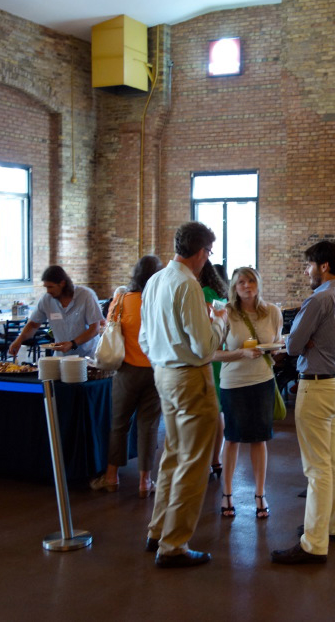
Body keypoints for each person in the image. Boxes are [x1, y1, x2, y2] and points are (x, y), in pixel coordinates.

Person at [139, 221, 227, 568]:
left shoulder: (155, 280)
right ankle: (174, 545)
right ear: (202, 252)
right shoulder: (188, 284)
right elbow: (204, 347)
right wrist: (219, 320)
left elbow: (144, 339)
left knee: (174, 455)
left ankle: (158, 530)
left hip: (163, 374)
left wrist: (164, 360)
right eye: (209, 253)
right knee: (194, 462)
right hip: (190, 377)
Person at [271, 240, 335, 565]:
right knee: (334, 460)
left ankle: (313, 543)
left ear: (324, 266)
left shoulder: (319, 299)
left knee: (317, 468)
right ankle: (331, 526)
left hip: (318, 388)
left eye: (309, 265)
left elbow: (292, 346)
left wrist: (306, 340)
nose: (307, 271)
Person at [89, 255, 164, 497]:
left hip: (126, 371)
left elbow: (109, 327)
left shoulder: (121, 299)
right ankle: (145, 482)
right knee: (149, 426)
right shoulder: (162, 301)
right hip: (155, 371)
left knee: (119, 424)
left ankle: (111, 477)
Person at [213, 266, 282, 520]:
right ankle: (227, 493)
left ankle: (260, 494)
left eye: (251, 281)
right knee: (232, 438)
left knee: (259, 439)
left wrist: (274, 349)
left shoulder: (272, 312)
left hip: (262, 380)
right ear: (234, 286)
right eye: (241, 282)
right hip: (233, 383)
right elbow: (212, 352)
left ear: (258, 284)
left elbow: (277, 342)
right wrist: (240, 353)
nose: (246, 286)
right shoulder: (226, 313)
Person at [9, 266, 103, 359]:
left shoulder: (85, 295)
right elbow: (33, 324)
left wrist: (72, 343)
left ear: (62, 283)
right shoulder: (46, 300)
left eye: (50, 287)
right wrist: (19, 340)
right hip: (61, 357)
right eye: (46, 287)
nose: (48, 291)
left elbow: (95, 328)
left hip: (87, 355)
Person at [200, 260, 229, 480]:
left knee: (206, 411)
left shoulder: (204, 294)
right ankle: (216, 459)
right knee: (217, 410)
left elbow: (205, 326)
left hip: (209, 355)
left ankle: (204, 461)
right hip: (221, 353)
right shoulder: (222, 295)